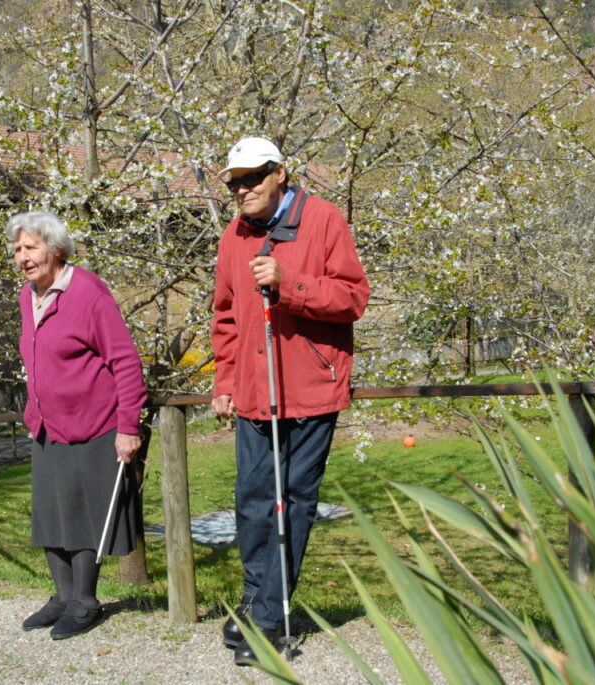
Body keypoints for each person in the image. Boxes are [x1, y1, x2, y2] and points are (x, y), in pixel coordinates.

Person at [210, 137, 370, 665]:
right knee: (252, 501)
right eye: (234, 182)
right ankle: (256, 600)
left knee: (293, 504)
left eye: (253, 177)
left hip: (310, 390)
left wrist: (289, 284)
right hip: (254, 393)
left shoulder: (323, 219)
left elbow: (353, 298)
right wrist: (226, 381)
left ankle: (267, 620)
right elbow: (226, 316)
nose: (243, 190)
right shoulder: (234, 235)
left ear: (279, 172)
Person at [7, 210, 147, 640]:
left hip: (93, 421)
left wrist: (128, 426)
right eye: (17, 249)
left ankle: (85, 601)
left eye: (31, 247)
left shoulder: (87, 291)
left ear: (56, 249)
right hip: (47, 424)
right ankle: (63, 596)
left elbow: (125, 361)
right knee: (52, 513)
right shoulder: (28, 296)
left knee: (86, 514)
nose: (23, 257)